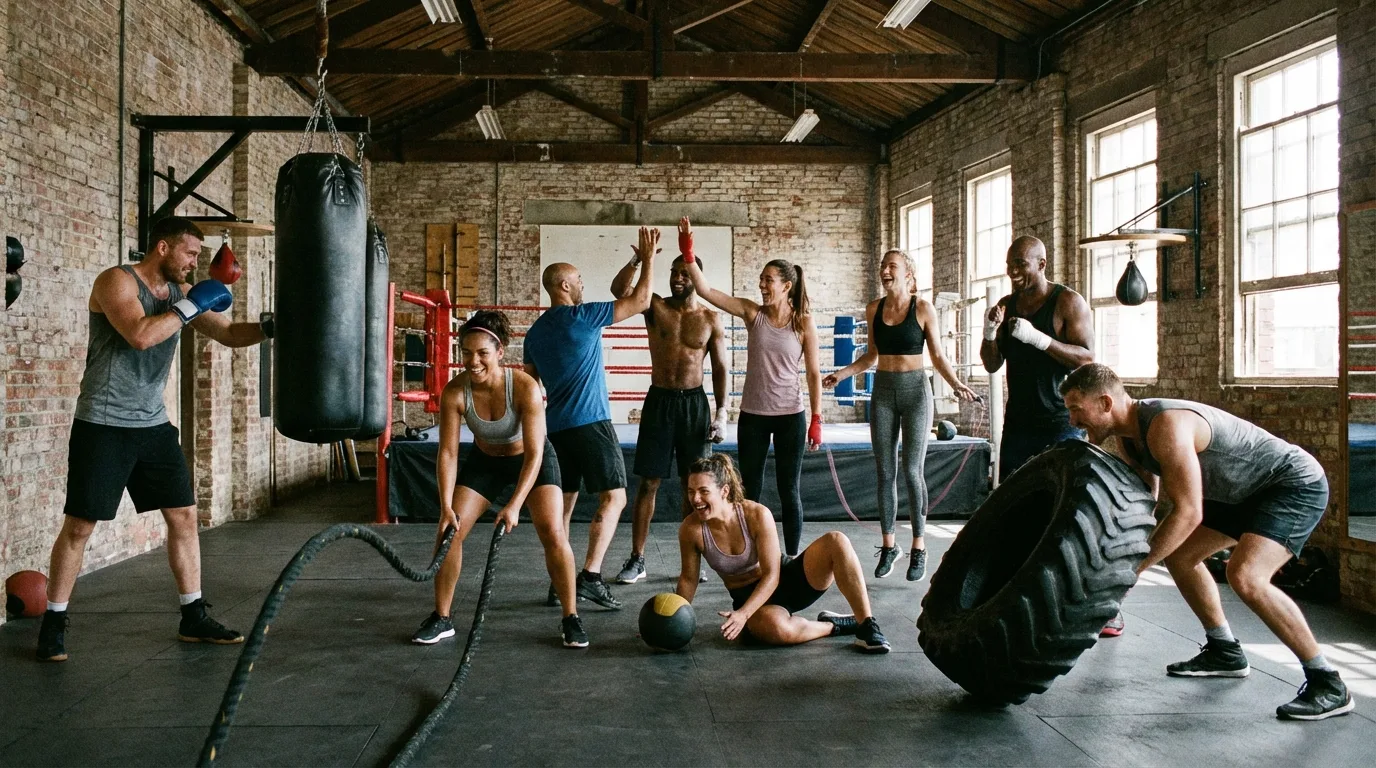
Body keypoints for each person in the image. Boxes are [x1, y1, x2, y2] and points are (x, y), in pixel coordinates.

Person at [1061, 363, 1354, 721]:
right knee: (1181, 558)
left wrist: (1131, 573)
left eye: (1077, 409)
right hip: (1238, 494)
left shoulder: (1166, 425)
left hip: (1290, 485)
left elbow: (1188, 512)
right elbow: (1145, 506)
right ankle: (1224, 650)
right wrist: (1119, 553)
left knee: (1245, 576)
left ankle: (1328, 682)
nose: (1074, 421)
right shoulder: (1129, 436)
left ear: (1106, 403)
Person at [37, 216, 270, 662]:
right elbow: (141, 336)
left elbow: (228, 334)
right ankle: (54, 622)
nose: (194, 264)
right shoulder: (116, 282)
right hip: (103, 423)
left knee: (183, 516)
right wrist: (188, 307)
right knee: (81, 526)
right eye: (189, 254)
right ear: (162, 248)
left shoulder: (182, 295)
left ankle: (193, 616)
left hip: (152, 425)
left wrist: (272, 328)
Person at [412, 311, 588, 648]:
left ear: (500, 353)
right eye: (466, 353)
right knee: (449, 531)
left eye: (482, 354)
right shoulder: (455, 392)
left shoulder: (523, 387)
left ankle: (571, 617)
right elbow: (448, 453)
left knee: (552, 530)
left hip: (530, 460)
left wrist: (514, 505)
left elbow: (536, 454)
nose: (473, 361)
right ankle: (442, 617)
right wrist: (446, 506)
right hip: (486, 461)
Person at [979, 236, 1115, 637]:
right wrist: (990, 332)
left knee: (1070, 514)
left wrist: (1040, 340)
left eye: (1021, 264)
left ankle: (1099, 602)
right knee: (1015, 507)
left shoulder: (1068, 303)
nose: (1015, 272)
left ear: (1042, 263)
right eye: (1010, 265)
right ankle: (1019, 593)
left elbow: (1089, 356)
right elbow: (991, 364)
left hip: (1062, 420)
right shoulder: (1007, 306)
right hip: (1018, 421)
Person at [523, 227, 659, 610]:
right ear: (565, 285)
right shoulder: (582, 316)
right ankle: (590, 576)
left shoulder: (535, 333)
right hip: (591, 424)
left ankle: (560, 580)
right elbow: (642, 299)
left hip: (556, 429)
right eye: (579, 279)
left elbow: (530, 387)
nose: (583, 285)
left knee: (564, 506)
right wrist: (647, 259)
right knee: (615, 497)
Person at [824, 250, 976, 582]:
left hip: (916, 393)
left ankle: (919, 547)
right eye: (883, 266)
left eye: (892, 266)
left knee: (911, 469)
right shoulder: (874, 309)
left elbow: (936, 354)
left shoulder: (922, 308)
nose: (885, 270)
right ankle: (889, 545)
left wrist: (956, 384)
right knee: (885, 470)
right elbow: (871, 356)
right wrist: (843, 374)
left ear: (909, 274)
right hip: (884, 393)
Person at [682, 218, 823, 558]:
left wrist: (817, 418)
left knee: (789, 490)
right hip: (754, 416)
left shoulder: (803, 322)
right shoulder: (751, 312)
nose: (762, 284)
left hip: (791, 415)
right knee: (751, 490)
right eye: (761, 279)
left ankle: (790, 557)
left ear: (787, 286)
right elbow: (706, 291)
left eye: (768, 280)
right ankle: (753, 553)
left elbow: (815, 373)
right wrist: (688, 253)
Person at [674, 454, 890, 652]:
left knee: (837, 541)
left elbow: (772, 575)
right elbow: (688, 579)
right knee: (773, 629)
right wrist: (673, 621)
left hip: (784, 579)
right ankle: (833, 626)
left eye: (704, 491)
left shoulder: (756, 514)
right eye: (691, 491)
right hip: (750, 599)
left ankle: (866, 625)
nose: (696, 499)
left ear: (724, 491)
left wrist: (743, 615)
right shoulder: (691, 530)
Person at [608, 236, 729, 585]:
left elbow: (720, 369)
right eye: (673, 272)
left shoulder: (710, 318)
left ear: (695, 276)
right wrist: (638, 261)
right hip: (659, 401)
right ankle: (637, 559)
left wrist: (721, 413)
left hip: (694, 405)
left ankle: (694, 559)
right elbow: (620, 290)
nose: (677, 278)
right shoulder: (655, 306)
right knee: (648, 482)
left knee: (695, 486)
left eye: (683, 273)